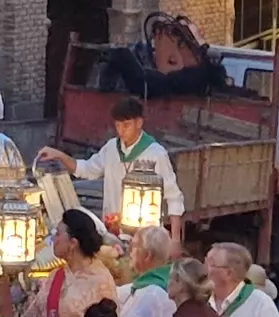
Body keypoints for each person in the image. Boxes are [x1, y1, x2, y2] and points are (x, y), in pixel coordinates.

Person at [39, 97, 184, 227]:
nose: (121, 131)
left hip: (144, 234)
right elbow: (87, 169)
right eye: (118, 126)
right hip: (112, 227)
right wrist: (59, 155)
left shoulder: (156, 153)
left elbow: (173, 197)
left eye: (126, 125)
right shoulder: (111, 148)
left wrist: (175, 240)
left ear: (139, 123)